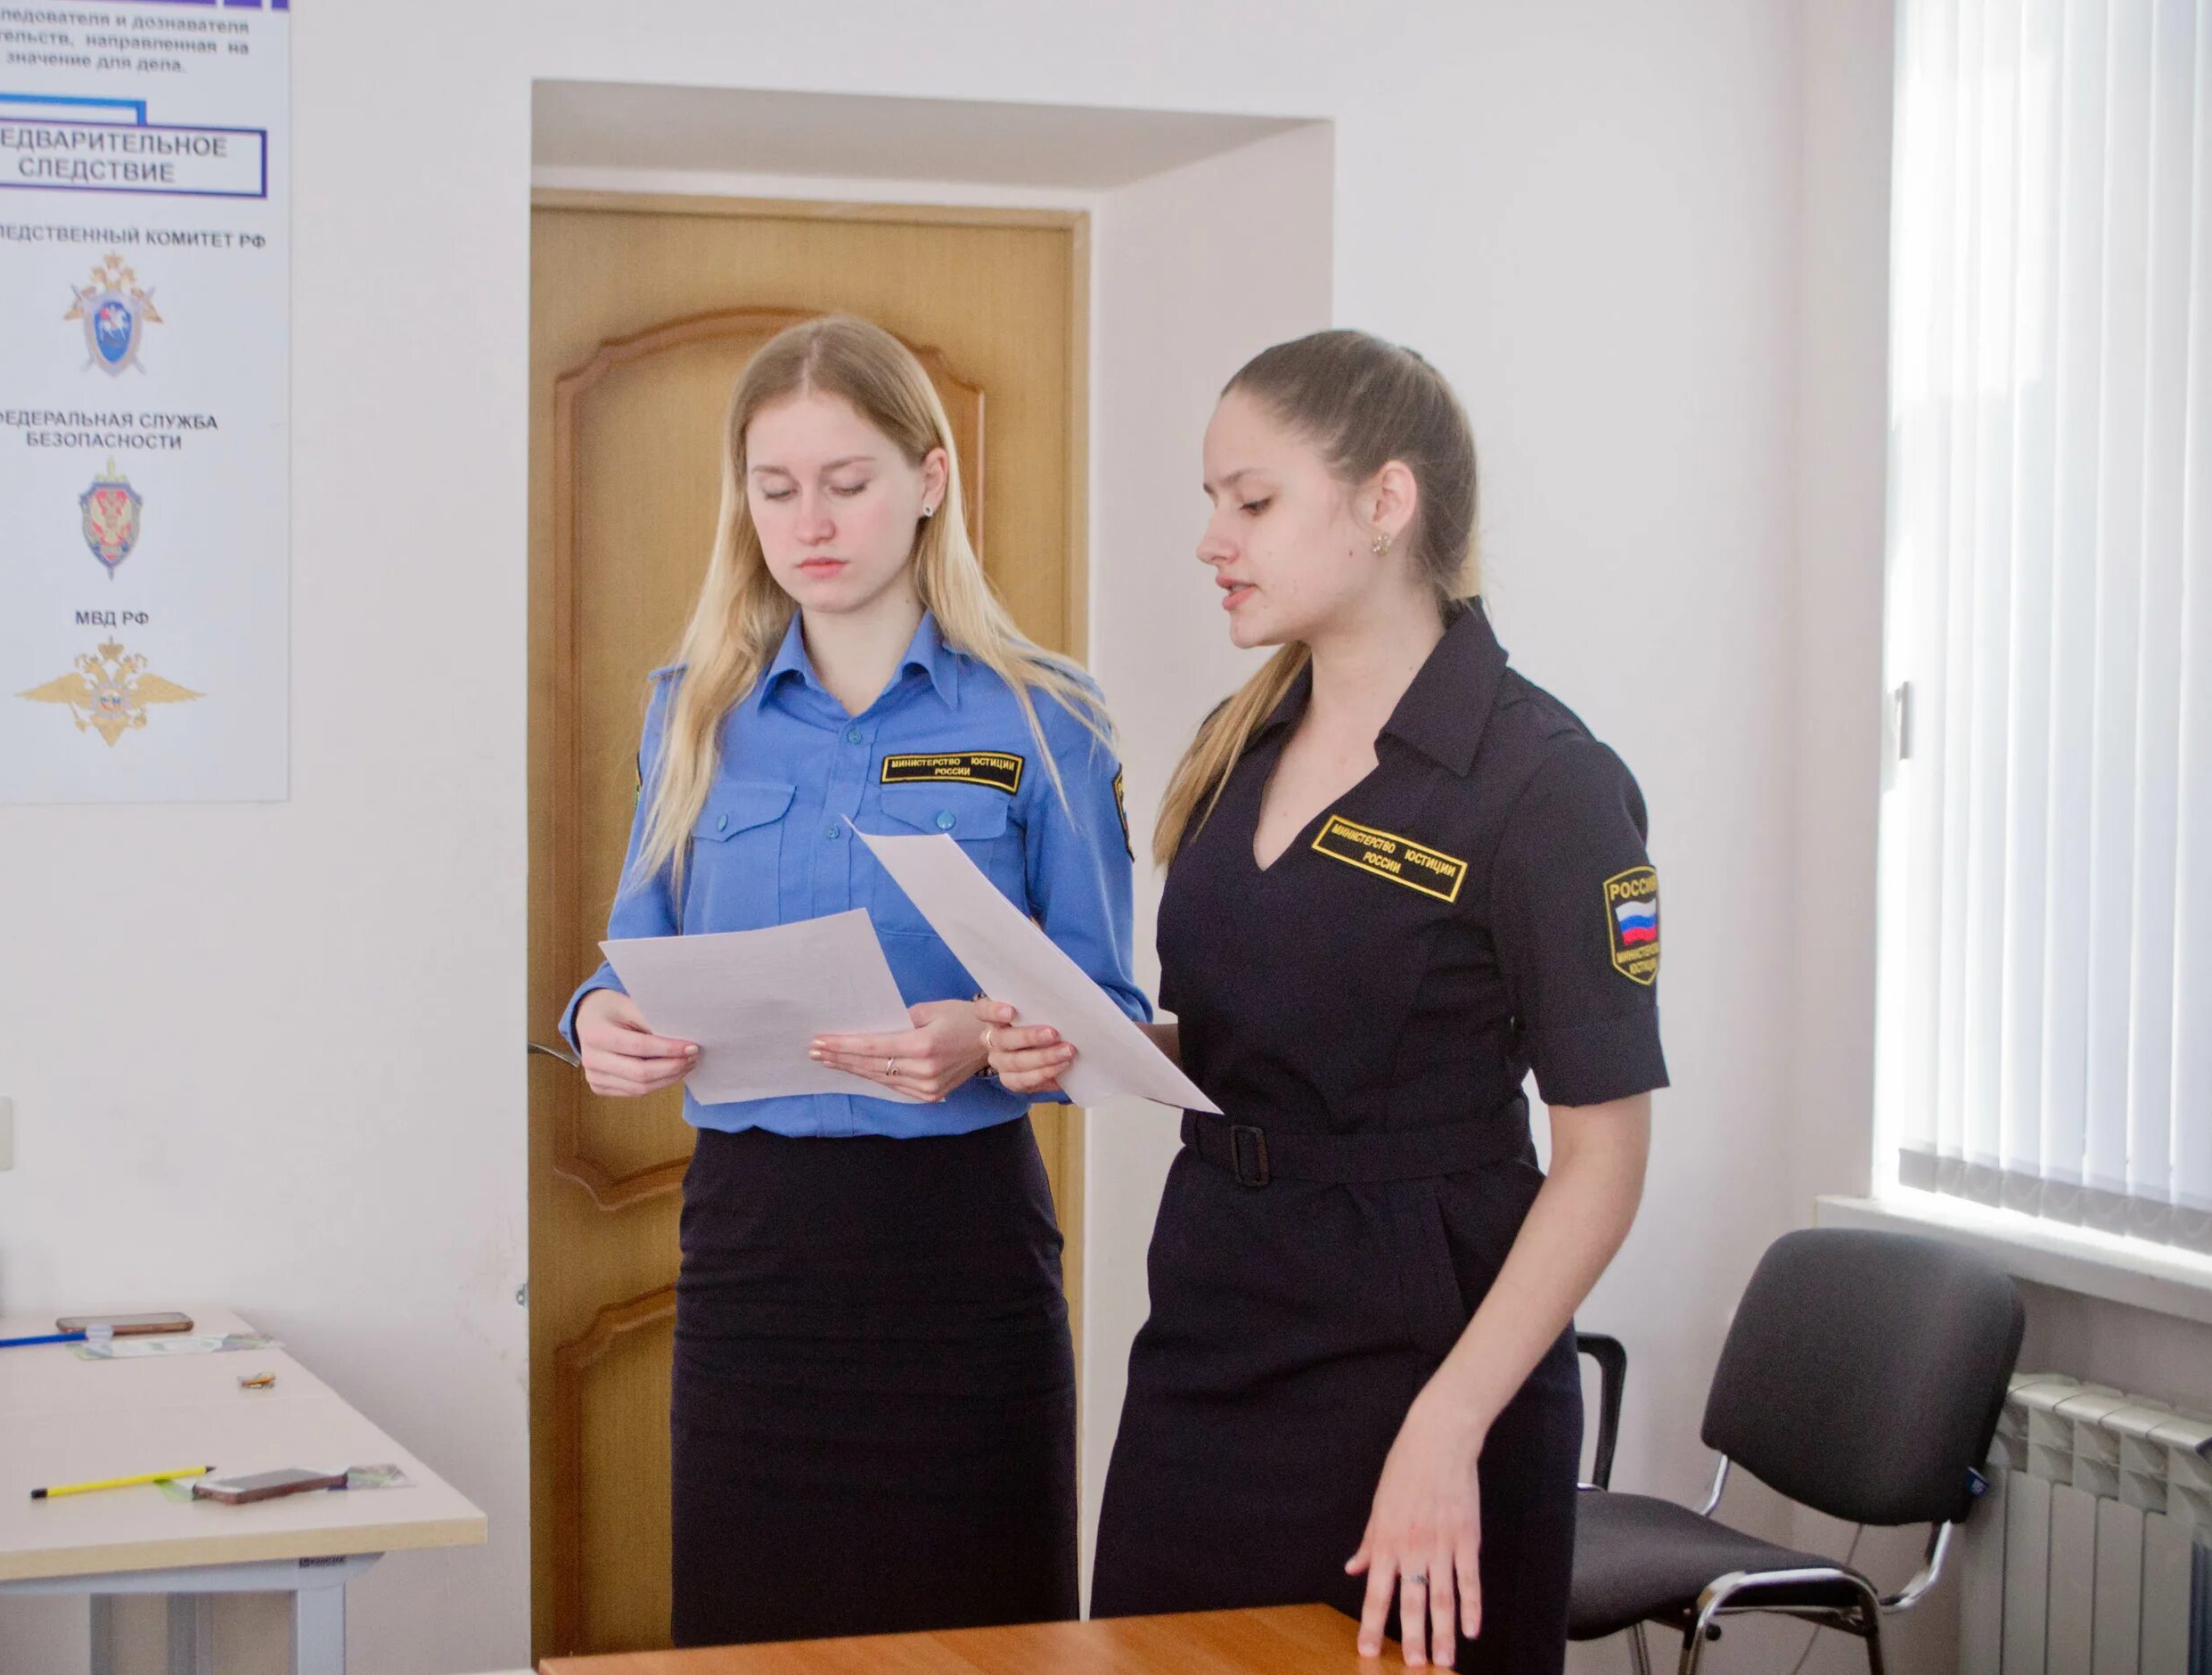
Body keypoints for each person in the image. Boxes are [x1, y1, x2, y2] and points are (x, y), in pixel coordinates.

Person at [560, 314, 1146, 1648]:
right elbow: (630, 946)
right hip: (756, 1253)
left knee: (982, 1642)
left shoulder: (1046, 716)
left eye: (846, 482)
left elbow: (1109, 1009)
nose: (809, 523)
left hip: (961, 1253)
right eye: (775, 490)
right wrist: (600, 1022)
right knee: (755, 1639)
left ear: (931, 479)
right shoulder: (693, 709)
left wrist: (987, 1036)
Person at [1088, 331, 1661, 1671]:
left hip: (1424, 1365)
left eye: (1253, 500)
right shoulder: (1241, 744)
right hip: (1211, 1331)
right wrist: (1091, 1044)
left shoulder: (1546, 783)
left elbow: (1604, 1158)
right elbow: (1257, 1044)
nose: (1212, 539)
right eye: (1212, 501)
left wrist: (1448, 1427)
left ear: (1386, 501)